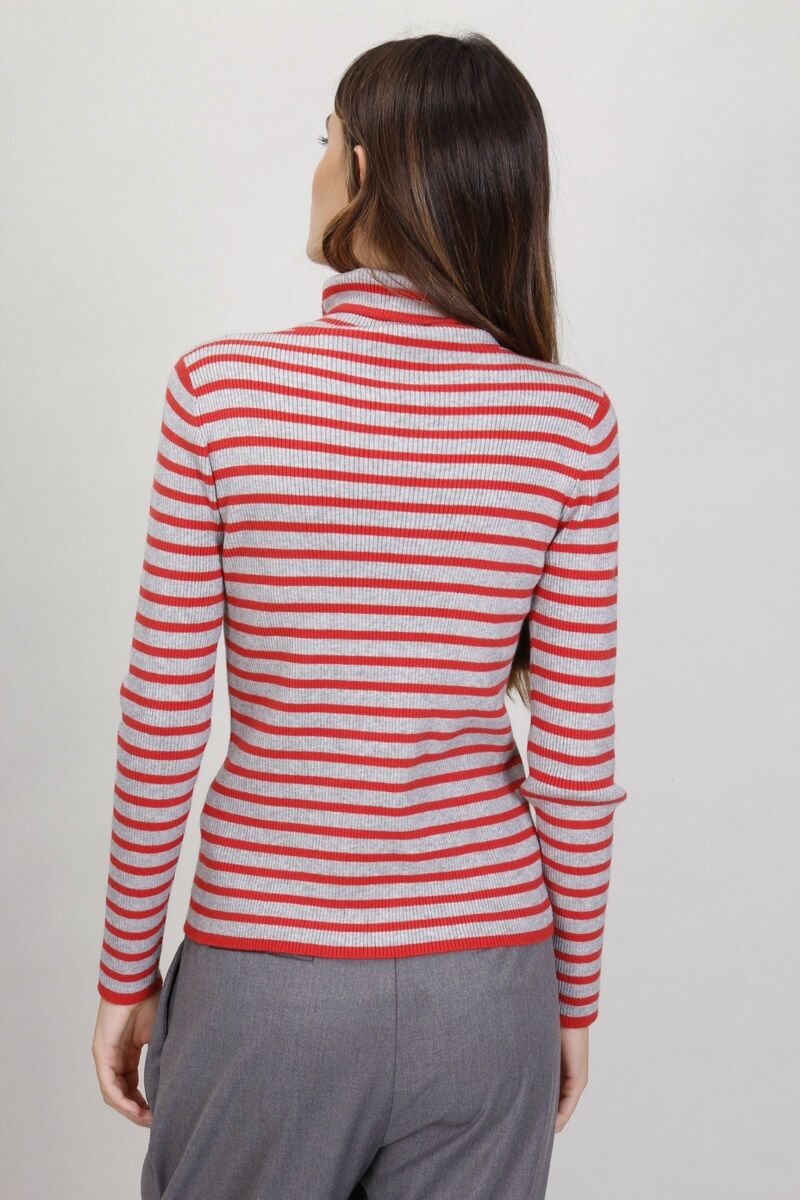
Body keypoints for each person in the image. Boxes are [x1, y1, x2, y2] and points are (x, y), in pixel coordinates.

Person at [91, 31, 627, 1200]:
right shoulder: (569, 424)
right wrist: (571, 998)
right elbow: (575, 757)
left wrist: (126, 970)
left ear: (366, 167)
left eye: (324, 140)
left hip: (265, 983)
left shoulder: (219, 392)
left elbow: (164, 719)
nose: (317, 165)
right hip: (489, 990)